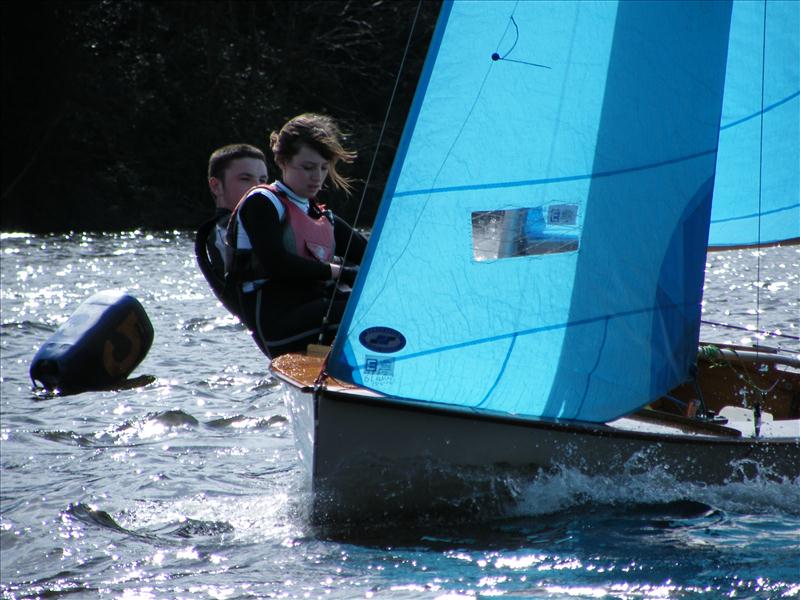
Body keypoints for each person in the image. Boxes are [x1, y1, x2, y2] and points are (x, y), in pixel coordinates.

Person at [227, 113, 367, 357]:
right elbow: (277, 264)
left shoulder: (323, 216)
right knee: (364, 311)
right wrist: (341, 272)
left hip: (314, 313)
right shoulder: (261, 203)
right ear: (282, 161)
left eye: (324, 168)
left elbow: (372, 255)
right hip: (277, 324)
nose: (317, 177)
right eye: (308, 167)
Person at [195, 144, 268, 317]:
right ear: (216, 186)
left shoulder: (266, 223)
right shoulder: (223, 230)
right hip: (265, 317)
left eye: (263, 180)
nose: (258, 187)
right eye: (245, 179)